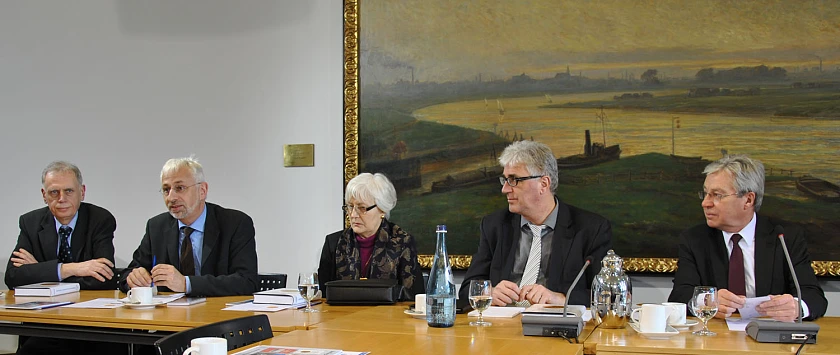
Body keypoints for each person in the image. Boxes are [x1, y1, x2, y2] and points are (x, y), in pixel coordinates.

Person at [668, 154, 827, 321]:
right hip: (716, 336)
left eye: (717, 195)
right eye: (706, 194)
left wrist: (796, 307)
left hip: (770, 337)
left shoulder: (784, 237)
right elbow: (679, 296)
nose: (705, 203)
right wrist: (707, 300)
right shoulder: (695, 239)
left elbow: (813, 296)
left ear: (748, 200)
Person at [458, 141, 613, 310]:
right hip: (499, 326)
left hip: (554, 329)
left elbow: (609, 294)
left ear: (543, 184)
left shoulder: (590, 228)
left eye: (514, 180)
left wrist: (559, 298)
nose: (504, 189)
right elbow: (467, 290)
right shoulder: (495, 226)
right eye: (505, 179)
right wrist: (489, 292)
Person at [5, 161, 118, 355]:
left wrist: (41, 271)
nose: (62, 199)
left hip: (92, 327)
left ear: (82, 192)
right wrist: (70, 269)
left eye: (69, 191)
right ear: (44, 195)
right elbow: (14, 277)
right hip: (45, 325)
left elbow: (103, 278)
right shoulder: (30, 223)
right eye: (54, 192)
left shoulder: (100, 219)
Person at [119, 156, 258, 296]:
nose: (171, 198)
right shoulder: (156, 227)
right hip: (169, 315)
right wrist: (134, 278)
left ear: (202, 191)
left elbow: (246, 281)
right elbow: (127, 275)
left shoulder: (235, 223)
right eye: (166, 190)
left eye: (180, 188)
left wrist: (186, 284)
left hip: (218, 312)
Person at [318, 173, 425, 299]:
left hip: (388, 317)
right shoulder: (333, 243)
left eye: (362, 208)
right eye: (350, 207)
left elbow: (413, 298)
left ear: (382, 209)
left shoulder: (402, 242)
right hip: (342, 317)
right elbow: (323, 296)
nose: (353, 215)